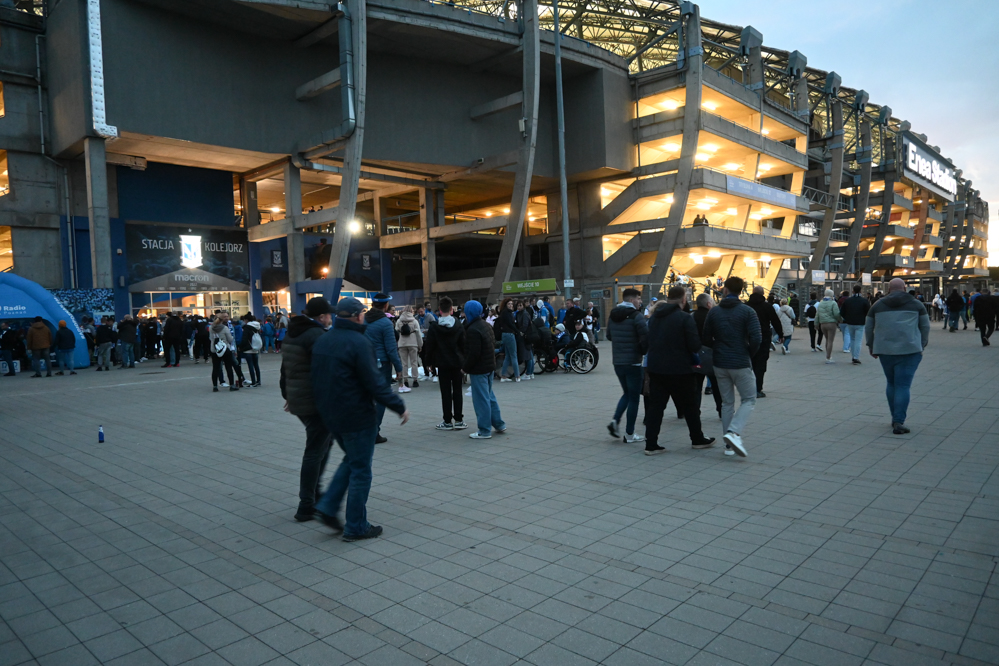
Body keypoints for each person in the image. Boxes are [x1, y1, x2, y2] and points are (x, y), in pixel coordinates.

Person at [313, 297, 409, 541]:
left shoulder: (324, 340)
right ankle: (356, 525)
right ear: (357, 316)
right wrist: (398, 405)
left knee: (352, 460)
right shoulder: (358, 342)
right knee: (361, 470)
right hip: (357, 415)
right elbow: (375, 382)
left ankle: (327, 506)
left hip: (332, 414)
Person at [643, 286, 716, 455]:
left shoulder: (653, 318)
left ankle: (651, 444)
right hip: (680, 369)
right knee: (690, 406)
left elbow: (647, 342)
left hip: (656, 368)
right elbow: (694, 345)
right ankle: (697, 439)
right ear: (683, 300)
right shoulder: (684, 318)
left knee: (656, 407)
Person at [280, 297, 334, 522]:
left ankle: (315, 492)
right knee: (315, 449)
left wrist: (288, 395)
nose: (331, 317)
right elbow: (324, 373)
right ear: (321, 317)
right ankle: (306, 504)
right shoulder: (316, 335)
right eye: (329, 314)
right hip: (314, 402)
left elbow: (285, 369)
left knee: (324, 443)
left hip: (299, 399)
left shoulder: (293, 332)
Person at [701, 276, 760, 458]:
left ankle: (728, 445)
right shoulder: (747, 312)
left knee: (727, 403)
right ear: (741, 291)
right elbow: (756, 337)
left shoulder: (714, 312)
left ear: (725, 289)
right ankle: (734, 432)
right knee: (749, 398)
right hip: (740, 361)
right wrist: (748, 353)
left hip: (720, 362)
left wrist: (718, 348)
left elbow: (705, 336)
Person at [865, 278, 930, 435]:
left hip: (885, 350)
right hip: (910, 350)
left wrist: (871, 345)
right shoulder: (917, 304)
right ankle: (899, 421)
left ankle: (895, 417)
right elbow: (925, 326)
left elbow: (868, 325)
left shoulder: (878, 305)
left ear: (889, 289)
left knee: (891, 383)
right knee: (903, 385)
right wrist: (922, 343)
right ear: (904, 288)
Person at [606, 288, 648, 443]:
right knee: (634, 398)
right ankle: (630, 434)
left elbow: (609, 335)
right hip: (634, 362)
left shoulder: (613, 314)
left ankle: (615, 421)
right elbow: (645, 337)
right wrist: (641, 351)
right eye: (639, 298)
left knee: (627, 393)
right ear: (632, 300)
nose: (641, 301)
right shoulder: (637, 316)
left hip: (618, 361)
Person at [462, 300, 505, 439]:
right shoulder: (485, 325)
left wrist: (465, 368)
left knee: (481, 400)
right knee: (490, 397)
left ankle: (484, 430)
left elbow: (474, 353)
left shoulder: (472, 329)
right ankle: (498, 423)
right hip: (489, 366)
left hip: (479, 369)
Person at [424, 296, 467, 431]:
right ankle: (459, 419)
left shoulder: (434, 327)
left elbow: (429, 346)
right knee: (458, 391)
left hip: (442, 363)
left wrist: (428, 362)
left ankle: (447, 420)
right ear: (451, 309)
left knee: (445, 392)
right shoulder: (458, 325)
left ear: (439, 310)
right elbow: (463, 345)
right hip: (457, 362)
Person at [365, 293, 403, 443]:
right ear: (386, 306)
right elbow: (391, 349)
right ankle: (374, 432)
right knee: (380, 398)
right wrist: (399, 368)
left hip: (365, 362)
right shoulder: (385, 323)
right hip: (382, 365)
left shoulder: (363, 320)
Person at [747, 286, 783, 397]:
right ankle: (758, 388)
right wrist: (780, 334)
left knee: (749, 363)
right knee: (761, 363)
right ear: (763, 294)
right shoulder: (767, 306)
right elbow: (775, 321)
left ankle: (748, 387)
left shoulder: (746, 307)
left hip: (748, 338)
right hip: (764, 337)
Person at [692, 294, 723, 418]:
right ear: (708, 304)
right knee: (717, 386)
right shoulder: (714, 317)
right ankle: (721, 410)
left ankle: (695, 412)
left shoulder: (691, 317)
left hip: (696, 356)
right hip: (712, 355)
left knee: (696, 387)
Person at [840, 285, 871, 365]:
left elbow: (842, 312)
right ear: (860, 291)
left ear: (853, 291)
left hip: (850, 322)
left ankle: (853, 356)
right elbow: (869, 311)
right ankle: (856, 357)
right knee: (858, 340)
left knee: (852, 339)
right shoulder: (864, 301)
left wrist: (847, 318)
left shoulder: (848, 301)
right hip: (860, 323)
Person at [395, 305, 423, 391]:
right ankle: (415, 380)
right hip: (413, 343)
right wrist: (420, 345)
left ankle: (405, 380)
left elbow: (396, 330)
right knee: (414, 362)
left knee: (404, 363)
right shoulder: (414, 321)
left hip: (402, 344)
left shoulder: (399, 320)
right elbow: (418, 334)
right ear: (411, 311)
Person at [209, 317, 238, 391]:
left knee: (215, 368)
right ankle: (232, 385)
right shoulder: (225, 328)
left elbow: (210, 338)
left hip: (214, 349)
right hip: (225, 349)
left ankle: (215, 386)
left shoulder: (211, 328)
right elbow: (230, 339)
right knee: (228, 367)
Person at [815, 289, 842, 364]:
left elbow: (817, 315)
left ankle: (828, 356)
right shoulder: (833, 303)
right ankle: (828, 357)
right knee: (830, 340)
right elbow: (836, 314)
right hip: (831, 323)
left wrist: (816, 324)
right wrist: (840, 319)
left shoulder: (820, 303)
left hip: (823, 324)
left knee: (827, 339)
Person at [497, 298, 520, 382]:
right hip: (510, 334)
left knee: (508, 356)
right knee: (513, 355)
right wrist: (518, 331)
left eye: (511, 304)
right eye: (509, 304)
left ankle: (503, 375)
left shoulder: (503, 312)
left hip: (505, 335)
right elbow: (511, 324)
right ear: (506, 305)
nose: (511, 305)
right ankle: (517, 376)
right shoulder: (508, 313)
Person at [240, 319, 263, 387]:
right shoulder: (256, 328)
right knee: (256, 365)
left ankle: (253, 381)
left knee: (250, 366)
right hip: (255, 349)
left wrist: (241, 347)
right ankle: (258, 381)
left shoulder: (247, 329)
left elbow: (244, 339)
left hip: (248, 349)